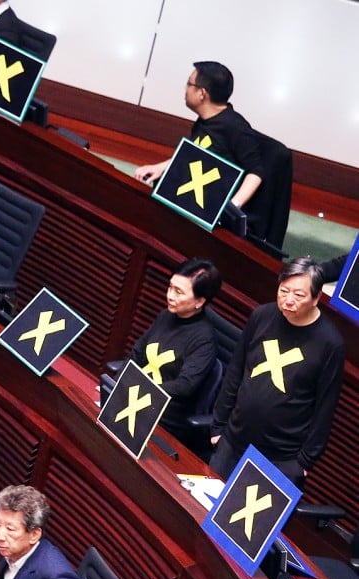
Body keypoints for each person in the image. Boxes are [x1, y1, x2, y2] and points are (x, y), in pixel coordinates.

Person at [210, 257, 345, 486]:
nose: (288, 301)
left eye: (299, 295)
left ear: (316, 298)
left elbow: (325, 408)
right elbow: (235, 372)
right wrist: (218, 426)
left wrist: (303, 462)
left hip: (281, 459)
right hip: (232, 440)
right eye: (284, 291)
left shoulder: (330, 343)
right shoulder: (262, 316)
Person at [134, 61, 263, 210]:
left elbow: (256, 172)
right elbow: (191, 154)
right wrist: (159, 167)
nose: (185, 88)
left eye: (189, 84)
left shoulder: (235, 127)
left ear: (202, 93)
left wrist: (232, 207)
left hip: (211, 202)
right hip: (193, 195)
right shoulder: (205, 119)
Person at [126, 258, 222, 452]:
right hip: (133, 398)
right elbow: (137, 352)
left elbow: (184, 386)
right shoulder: (166, 316)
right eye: (170, 287)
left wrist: (144, 391)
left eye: (179, 292)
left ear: (200, 301)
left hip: (166, 417)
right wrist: (122, 383)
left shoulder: (204, 340)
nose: (170, 295)